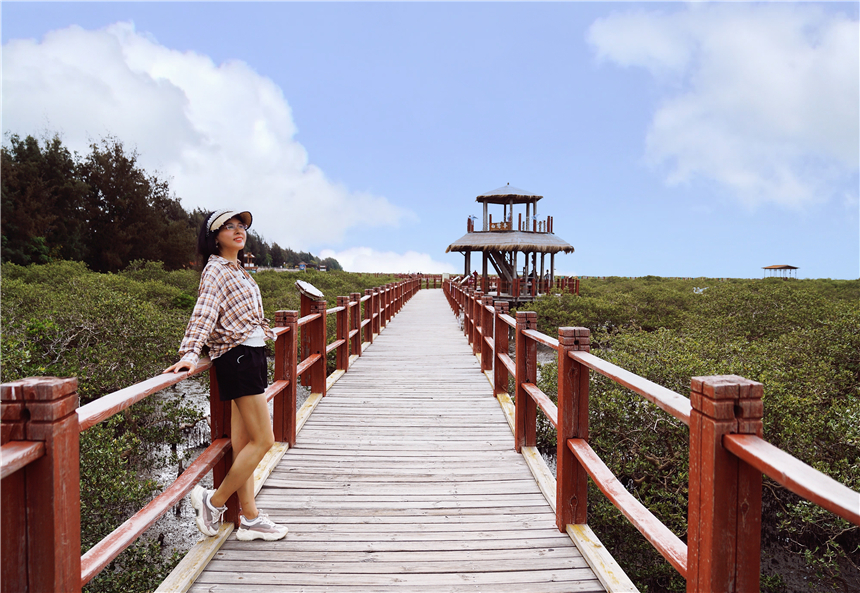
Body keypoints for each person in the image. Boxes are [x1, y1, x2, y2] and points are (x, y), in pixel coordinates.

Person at [163, 209, 288, 542]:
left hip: (251, 354)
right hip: (238, 358)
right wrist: (190, 354)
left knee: (244, 442)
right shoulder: (216, 269)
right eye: (228, 227)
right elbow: (203, 312)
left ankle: (250, 518)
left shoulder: (239, 269)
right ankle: (213, 501)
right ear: (213, 237)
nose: (238, 231)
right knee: (266, 440)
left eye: (241, 226)